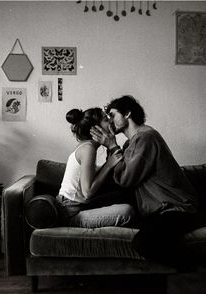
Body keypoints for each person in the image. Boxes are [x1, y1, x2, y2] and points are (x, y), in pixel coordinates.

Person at [90, 95, 199, 264]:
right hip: (156, 209)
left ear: (127, 114)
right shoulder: (130, 143)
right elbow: (115, 178)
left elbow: (125, 179)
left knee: (143, 243)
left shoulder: (146, 137)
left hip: (176, 208)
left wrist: (112, 146)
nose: (110, 121)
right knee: (103, 200)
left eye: (112, 115)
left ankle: (194, 270)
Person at [56, 107, 135, 228]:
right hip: (70, 212)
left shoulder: (86, 146)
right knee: (127, 212)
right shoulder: (88, 149)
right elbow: (87, 192)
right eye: (105, 119)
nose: (110, 121)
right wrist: (108, 165)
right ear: (96, 128)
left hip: (73, 206)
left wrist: (110, 157)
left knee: (123, 195)